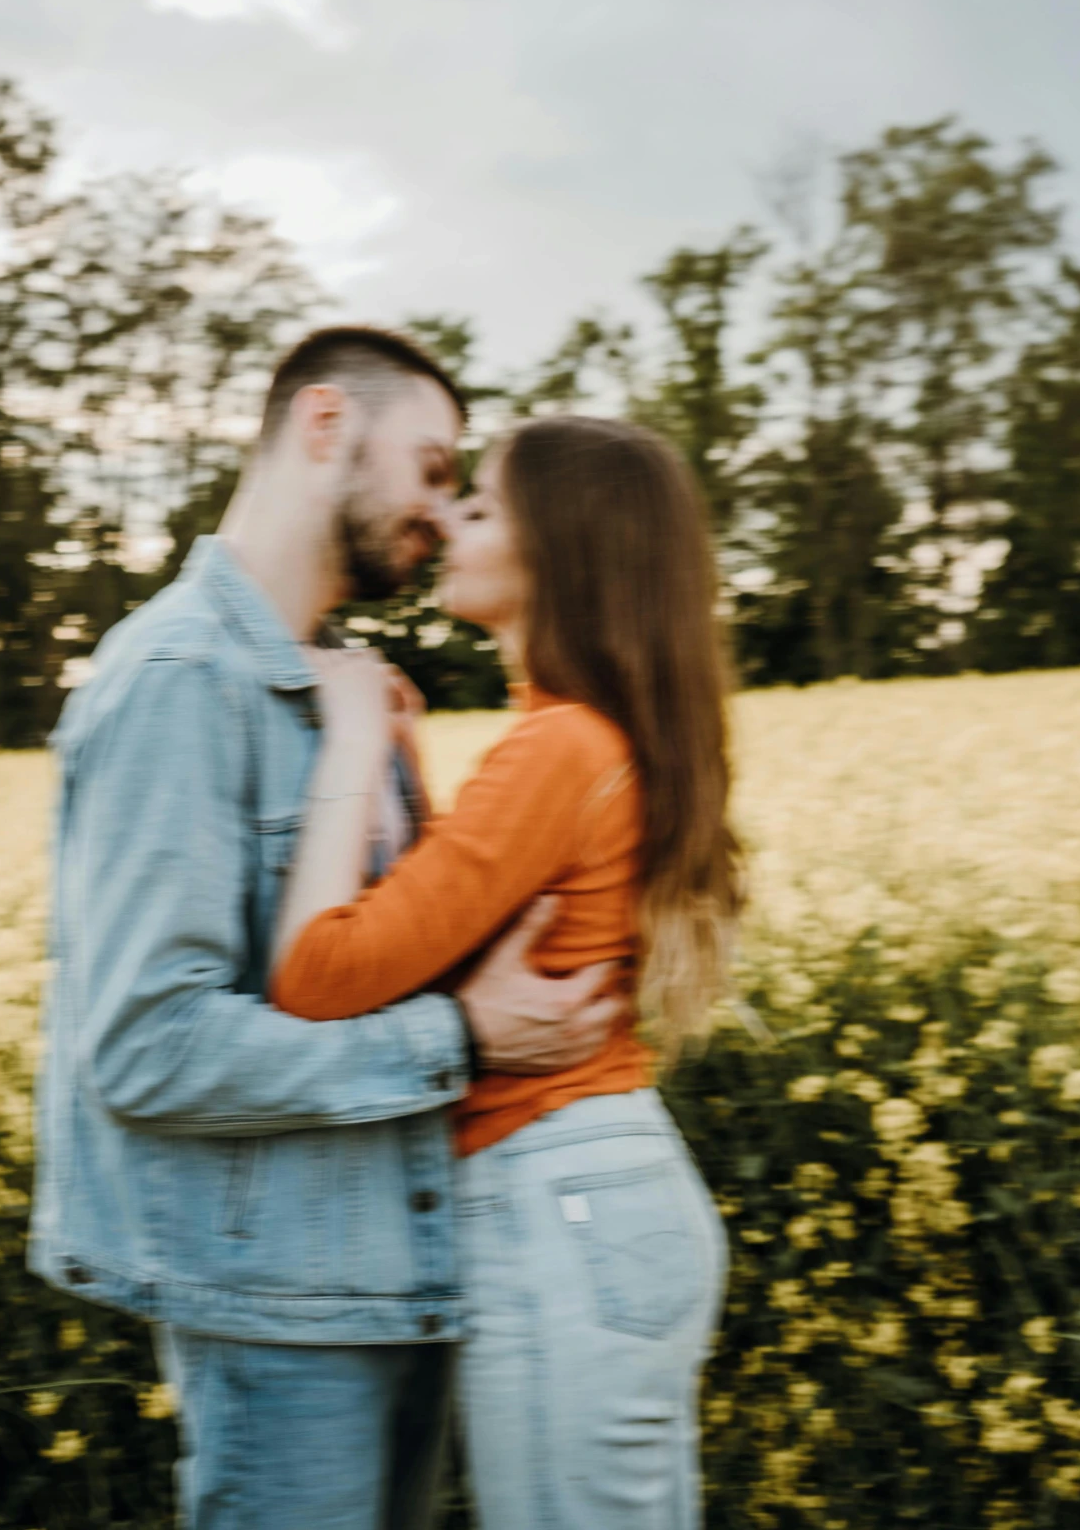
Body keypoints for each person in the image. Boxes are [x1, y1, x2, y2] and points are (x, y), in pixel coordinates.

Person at [28, 327, 625, 1530]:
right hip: (276, 1315)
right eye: (432, 466)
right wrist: (460, 1038)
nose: (442, 509)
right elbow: (150, 1048)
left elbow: (366, 965)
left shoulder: (333, 688)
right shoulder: (182, 679)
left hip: (383, 1286)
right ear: (323, 427)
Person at [271, 415, 741, 1528]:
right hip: (597, 1193)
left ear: (558, 552)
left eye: (479, 504)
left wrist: (345, 740)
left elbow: (317, 975)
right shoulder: (580, 741)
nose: (446, 521)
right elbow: (463, 926)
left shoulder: (557, 747)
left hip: (560, 1206)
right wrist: (403, 760)